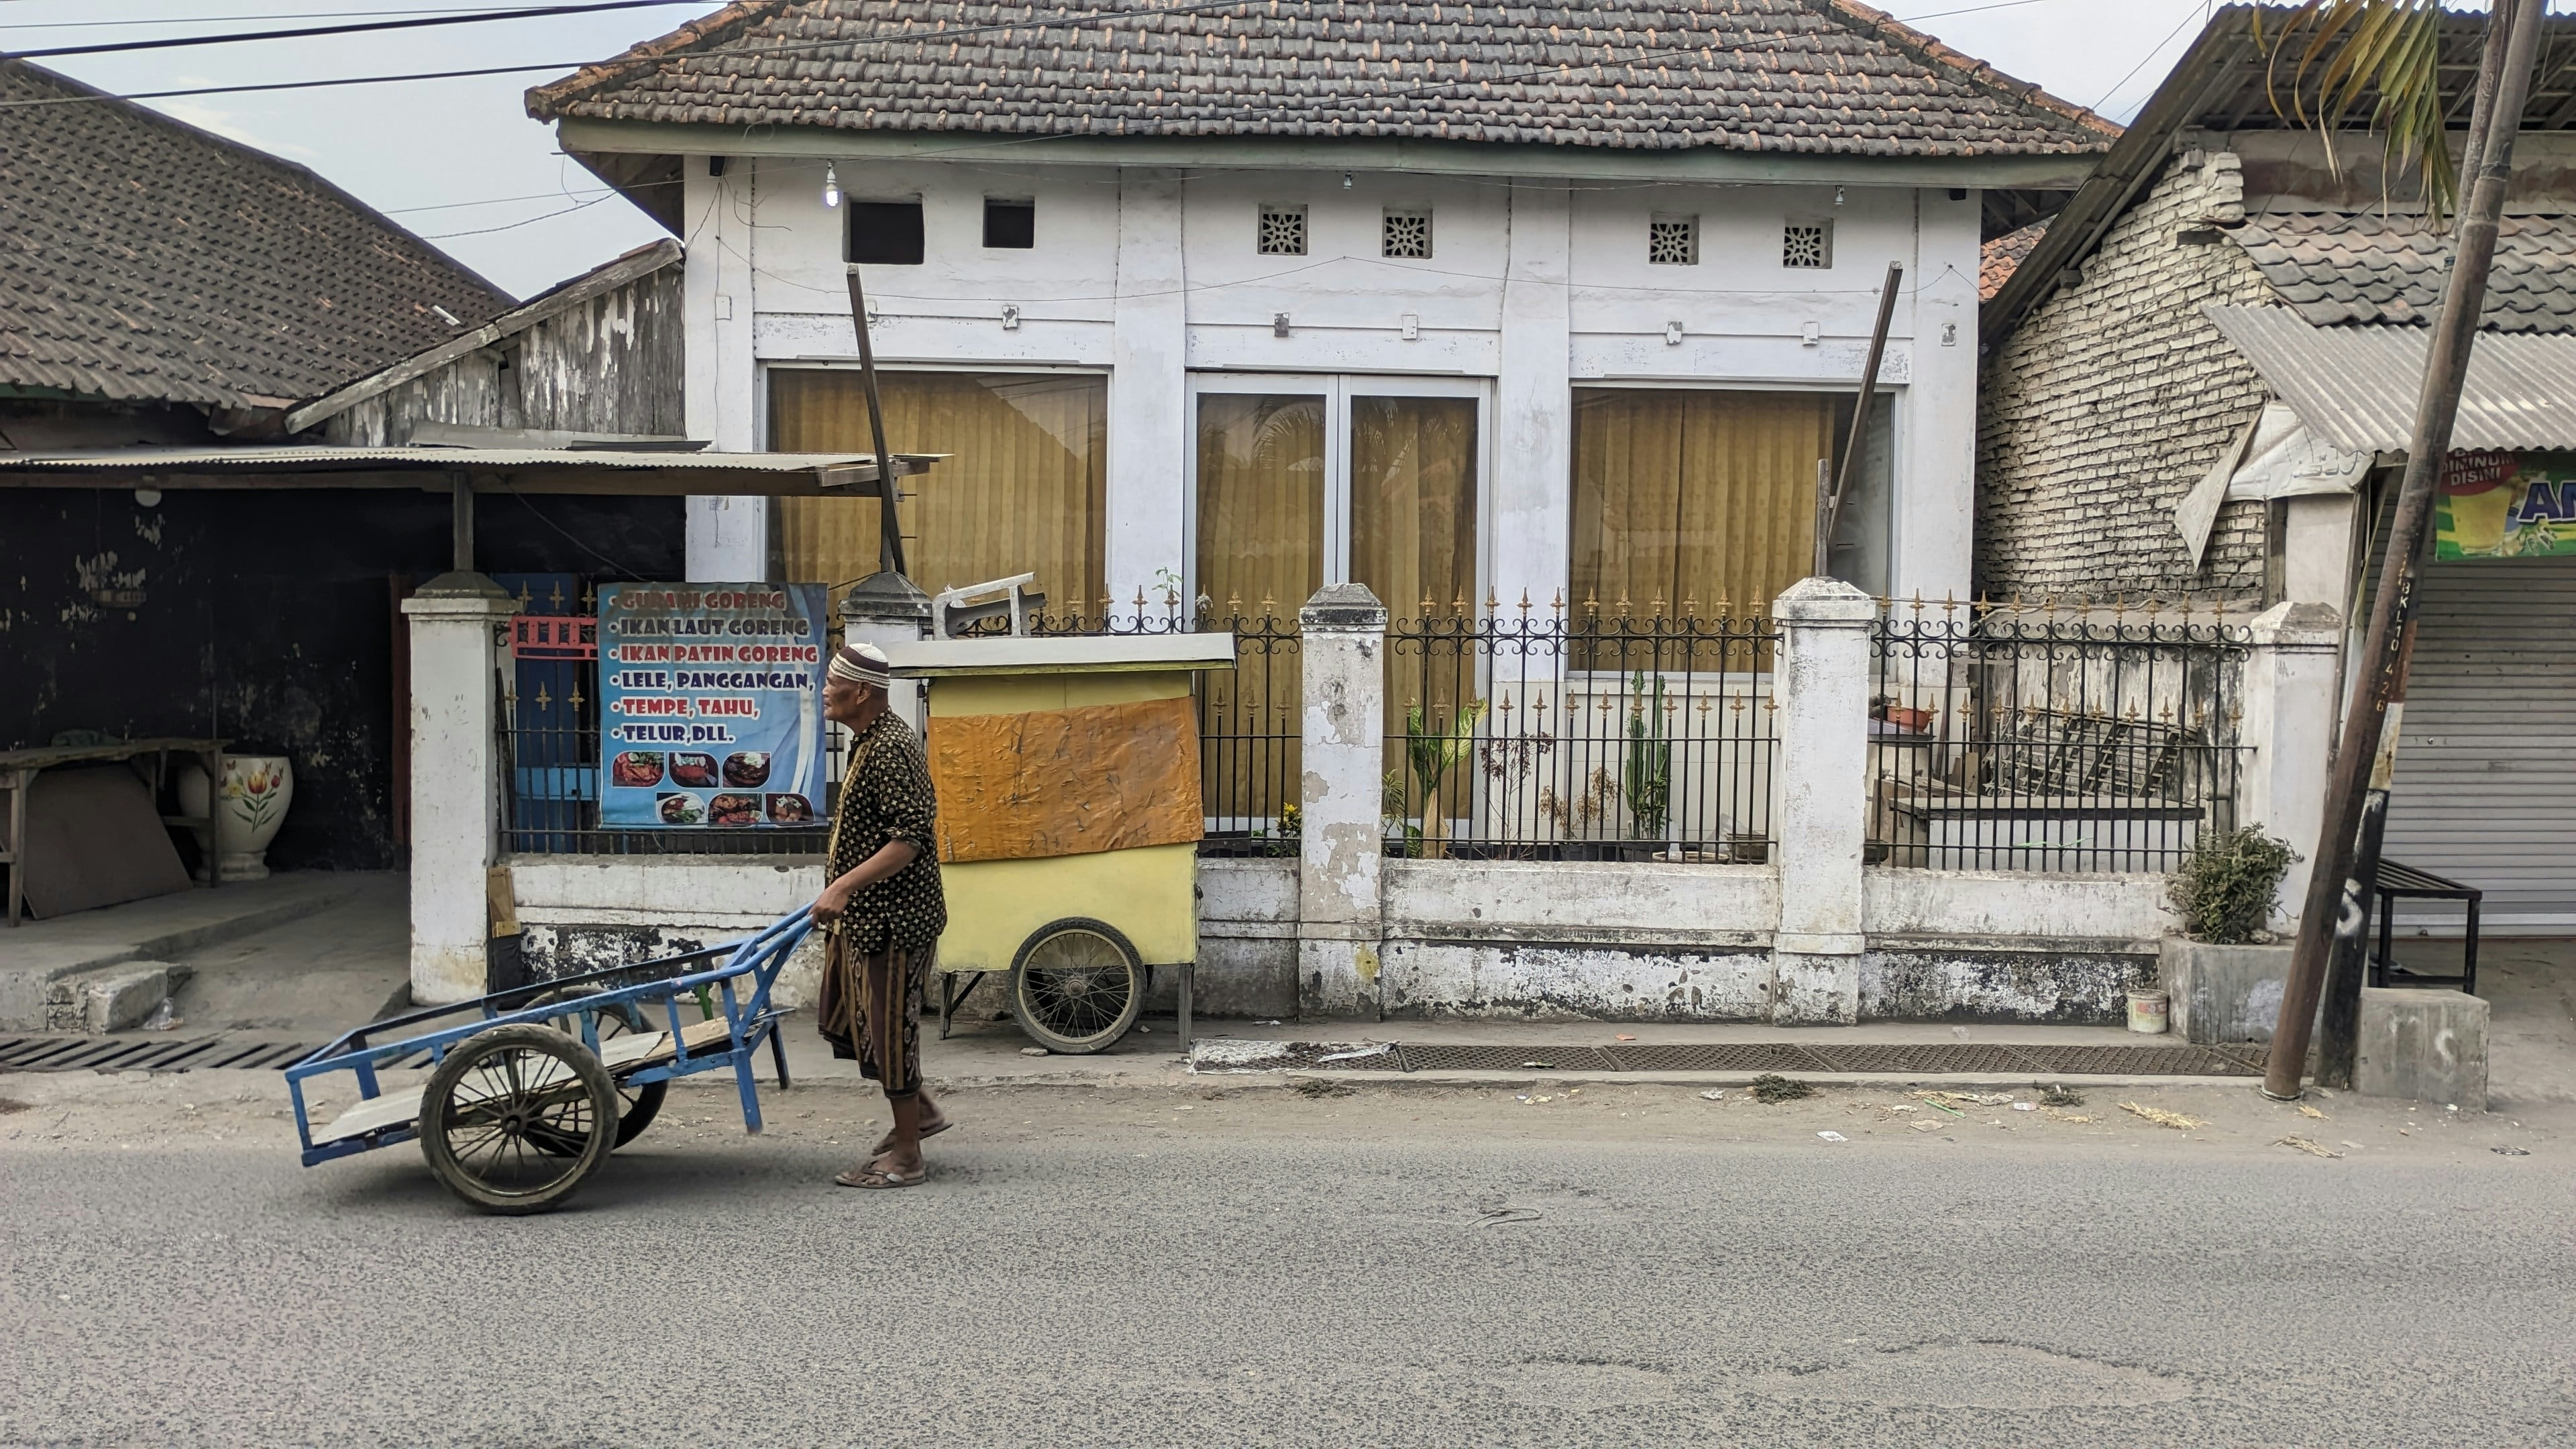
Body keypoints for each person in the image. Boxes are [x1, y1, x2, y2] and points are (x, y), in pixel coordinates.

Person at [810, 641, 949, 1188]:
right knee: (853, 1024)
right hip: (867, 921)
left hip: (895, 923)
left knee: (891, 1033)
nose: (824, 691)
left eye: (832, 683)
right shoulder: (867, 741)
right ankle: (924, 1114)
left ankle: (909, 1156)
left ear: (861, 692)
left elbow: (909, 841)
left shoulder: (891, 748)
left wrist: (842, 886)